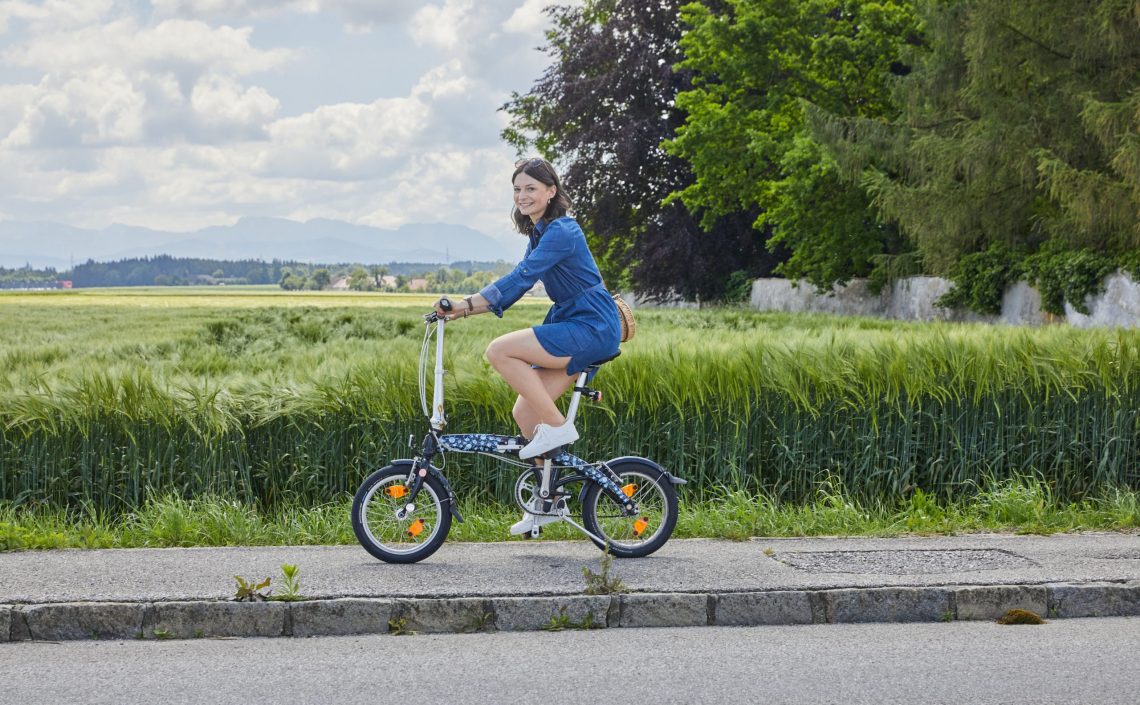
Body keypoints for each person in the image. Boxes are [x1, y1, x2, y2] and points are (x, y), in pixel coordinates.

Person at [433, 157, 622, 534]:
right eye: (517, 189)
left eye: (531, 188)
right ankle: (547, 502)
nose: (522, 195)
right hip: (574, 321)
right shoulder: (541, 233)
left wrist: (467, 305)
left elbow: (522, 277)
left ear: (552, 191)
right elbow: (519, 285)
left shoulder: (562, 231)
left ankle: (558, 427)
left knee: (499, 351)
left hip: (590, 324)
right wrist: (462, 311)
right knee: (525, 415)